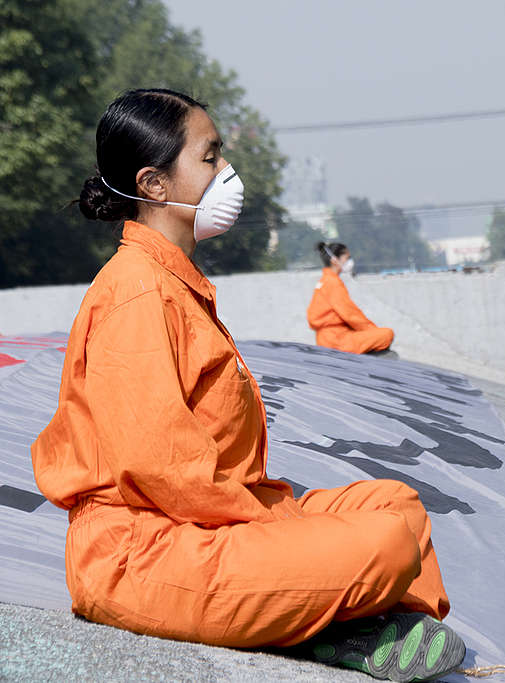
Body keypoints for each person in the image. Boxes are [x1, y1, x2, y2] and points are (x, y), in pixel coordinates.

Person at [30, 89, 465, 683]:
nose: (226, 173)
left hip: (204, 527)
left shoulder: (170, 281)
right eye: (209, 158)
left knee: (395, 506)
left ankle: (369, 627)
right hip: (145, 555)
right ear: (155, 185)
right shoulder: (136, 292)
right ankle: (338, 624)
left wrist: (285, 525)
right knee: (386, 543)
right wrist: (286, 529)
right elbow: (167, 473)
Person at [308, 242, 395, 354]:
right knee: (387, 334)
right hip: (337, 341)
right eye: (347, 258)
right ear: (334, 260)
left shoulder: (324, 281)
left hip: (326, 339)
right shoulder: (333, 283)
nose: (349, 261)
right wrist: (372, 330)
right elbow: (350, 314)